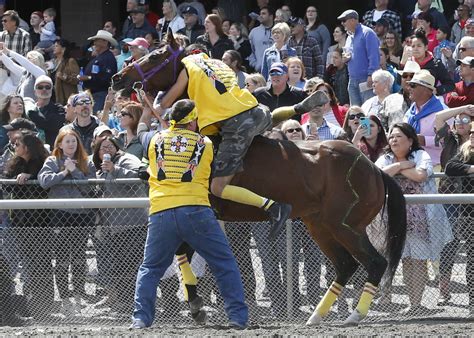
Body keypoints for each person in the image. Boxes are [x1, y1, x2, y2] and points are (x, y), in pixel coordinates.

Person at [154, 46, 324, 239]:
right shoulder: (219, 64)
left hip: (236, 124)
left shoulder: (189, 65)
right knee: (265, 122)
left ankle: (274, 207)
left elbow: (167, 102)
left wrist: (154, 105)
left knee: (217, 187)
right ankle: (295, 108)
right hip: (257, 110)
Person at [130, 99, 248, 329]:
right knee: (224, 264)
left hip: (161, 212)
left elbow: (141, 130)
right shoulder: (206, 143)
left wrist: (146, 111)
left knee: (150, 268)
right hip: (196, 210)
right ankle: (237, 318)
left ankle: (141, 319)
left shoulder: (155, 139)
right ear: (193, 121)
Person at [375, 122, 452, 316]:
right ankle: (412, 303)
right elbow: (377, 176)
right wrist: (401, 165)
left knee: (418, 260)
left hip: (420, 220)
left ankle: (417, 304)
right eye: (391, 136)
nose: (393, 140)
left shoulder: (421, 155)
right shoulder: (385, 158)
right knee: (405, 261)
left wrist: (397, 170)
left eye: (398, 136)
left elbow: (420, 176)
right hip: (393, 220)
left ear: (410, 140)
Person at [37, 128, 96, 316]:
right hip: (59, 214)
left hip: (81, 215)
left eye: (74, 141)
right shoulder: (52, 161)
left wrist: (75, 171)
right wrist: (64, 172)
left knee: (79, 258)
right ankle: (64, 299)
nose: (71, 144)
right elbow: (44, 181)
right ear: (60, 144)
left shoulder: (86, 162)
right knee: (62, 259)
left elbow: (91, 188)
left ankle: (78, 297)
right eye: (67, 141)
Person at [92, 135, 147, 315]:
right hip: (113, 226)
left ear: (117, 147)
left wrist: (115, 170)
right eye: (102, 148)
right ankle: (125, 303)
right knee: (120, 266)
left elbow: (140, 175)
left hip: (133, 223)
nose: (106, 150)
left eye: (109, 146)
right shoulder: (100, 170)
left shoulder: (127, 159)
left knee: (131, 265)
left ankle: (138, 303)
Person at [2, 131, 53, 319]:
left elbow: (45, 182)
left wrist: (30, 177)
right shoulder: (15, 163)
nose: (15, 147)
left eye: (18, 144)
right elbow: (6, 184)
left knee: (42, 262)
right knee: (28, 262)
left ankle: (45, 302)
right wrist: (18, 178)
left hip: (41, 221)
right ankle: (31, 301)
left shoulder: (43, 162)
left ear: (28, 147)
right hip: (20, 221)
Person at [444, 121, 474, 315]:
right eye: (471, 132)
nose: (471, 135)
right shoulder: (465, 152)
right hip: (469, 216)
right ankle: (473, 303)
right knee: (472, 260)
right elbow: (449, 167)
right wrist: (472, 169)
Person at [338, 9, 380, 106]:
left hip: (366, 79)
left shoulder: (368, 33)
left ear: (353, 20)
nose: (342, 23)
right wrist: (345, 60)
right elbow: (349, 56)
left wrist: (371, 75)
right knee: (356, 112)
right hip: (352, 80)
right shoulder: (349, 37)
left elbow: (374, 56)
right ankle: (361, 122)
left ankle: (366, 123)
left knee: (367, 110)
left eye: (344, 20)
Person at [404, 69, 445, 166]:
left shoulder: (443, 112)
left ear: (427, 90)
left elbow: (449, 142)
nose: (408, 88)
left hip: (435, 167)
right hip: (412, 164)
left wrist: (425, 140)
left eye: (413, 85)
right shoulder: (411, 111)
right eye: (409, 85)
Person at [78, 30, 118, 113]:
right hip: (93, 94)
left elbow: (107, 78)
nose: (94, 43)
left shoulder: (108, 58)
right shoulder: (99, 57)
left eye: (97, 40)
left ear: (105, 43)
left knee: (97, 116)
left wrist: (88, 78)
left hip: (101, 94)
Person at [407, 28, 454, 96]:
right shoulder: (409, 62)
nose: (415, 49)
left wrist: (437, 90)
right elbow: (400, 83)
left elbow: (450, 85)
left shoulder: (436, 64)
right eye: (413, 46)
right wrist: (402, 63)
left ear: (426, 47)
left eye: (419, 46)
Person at [27, 75, 66, 148]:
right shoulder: (30, 108)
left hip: (53, 150)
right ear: (35, 91)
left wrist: (31, 113)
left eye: (47, 87)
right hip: (32, 150)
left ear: (52, 90)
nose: (44, 89)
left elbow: (50, 124)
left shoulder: (59, 109)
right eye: (40, 87)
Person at [381, 60, 420, 131]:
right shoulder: (389, 100)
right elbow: (381, 124)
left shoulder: (426, 100)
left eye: (412, 76)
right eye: (405, 76)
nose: (408, 79)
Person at [50, 39, 80, 105]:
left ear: (63, 49)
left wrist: (64, 76)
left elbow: (77, 79)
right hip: (53, 97)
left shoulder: (70, 61)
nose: (54, 48)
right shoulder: (53, 62)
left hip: (66, 98)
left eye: (56, 46)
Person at [248, 6, 274, 73]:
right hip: (259, 71)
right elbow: (250, 51)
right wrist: (256, 65)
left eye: (264, 14)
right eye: (260, 14)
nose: (260, 16)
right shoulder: (254, 32)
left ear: (271, 16)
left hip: (276, 71)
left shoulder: (278, 30)